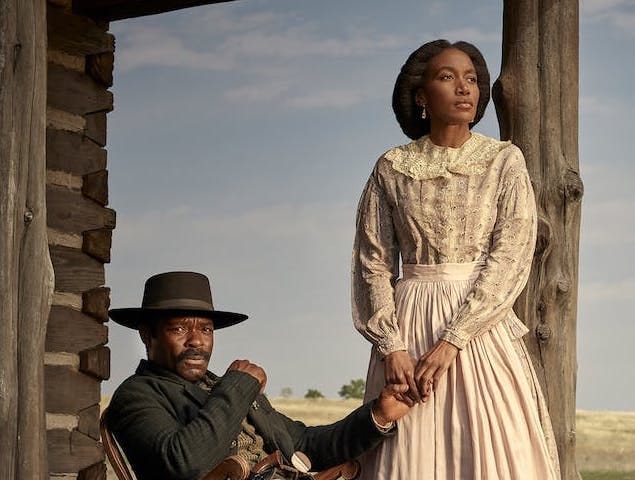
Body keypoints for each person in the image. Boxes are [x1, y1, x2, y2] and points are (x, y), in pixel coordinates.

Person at [351, 39, 561, 478]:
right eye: (447, 77)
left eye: (471, 79)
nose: (464, 88)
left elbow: (512, 255)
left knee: (496, 449)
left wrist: (453, 341)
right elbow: (372, 261)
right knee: (406, 454)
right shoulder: (392, 166)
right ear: (421, 96)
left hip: (479, 328)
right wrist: (391, 346)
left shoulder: (504, 159)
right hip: (407, 328)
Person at [103, 271, 415, 480]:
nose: (197, 341)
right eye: (179, 328)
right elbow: (183, 463)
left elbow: (304, 443)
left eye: (206, 329)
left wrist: (377, 416)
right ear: (147, 335)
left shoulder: (219, 386)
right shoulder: (137, 395)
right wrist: (238, 387)